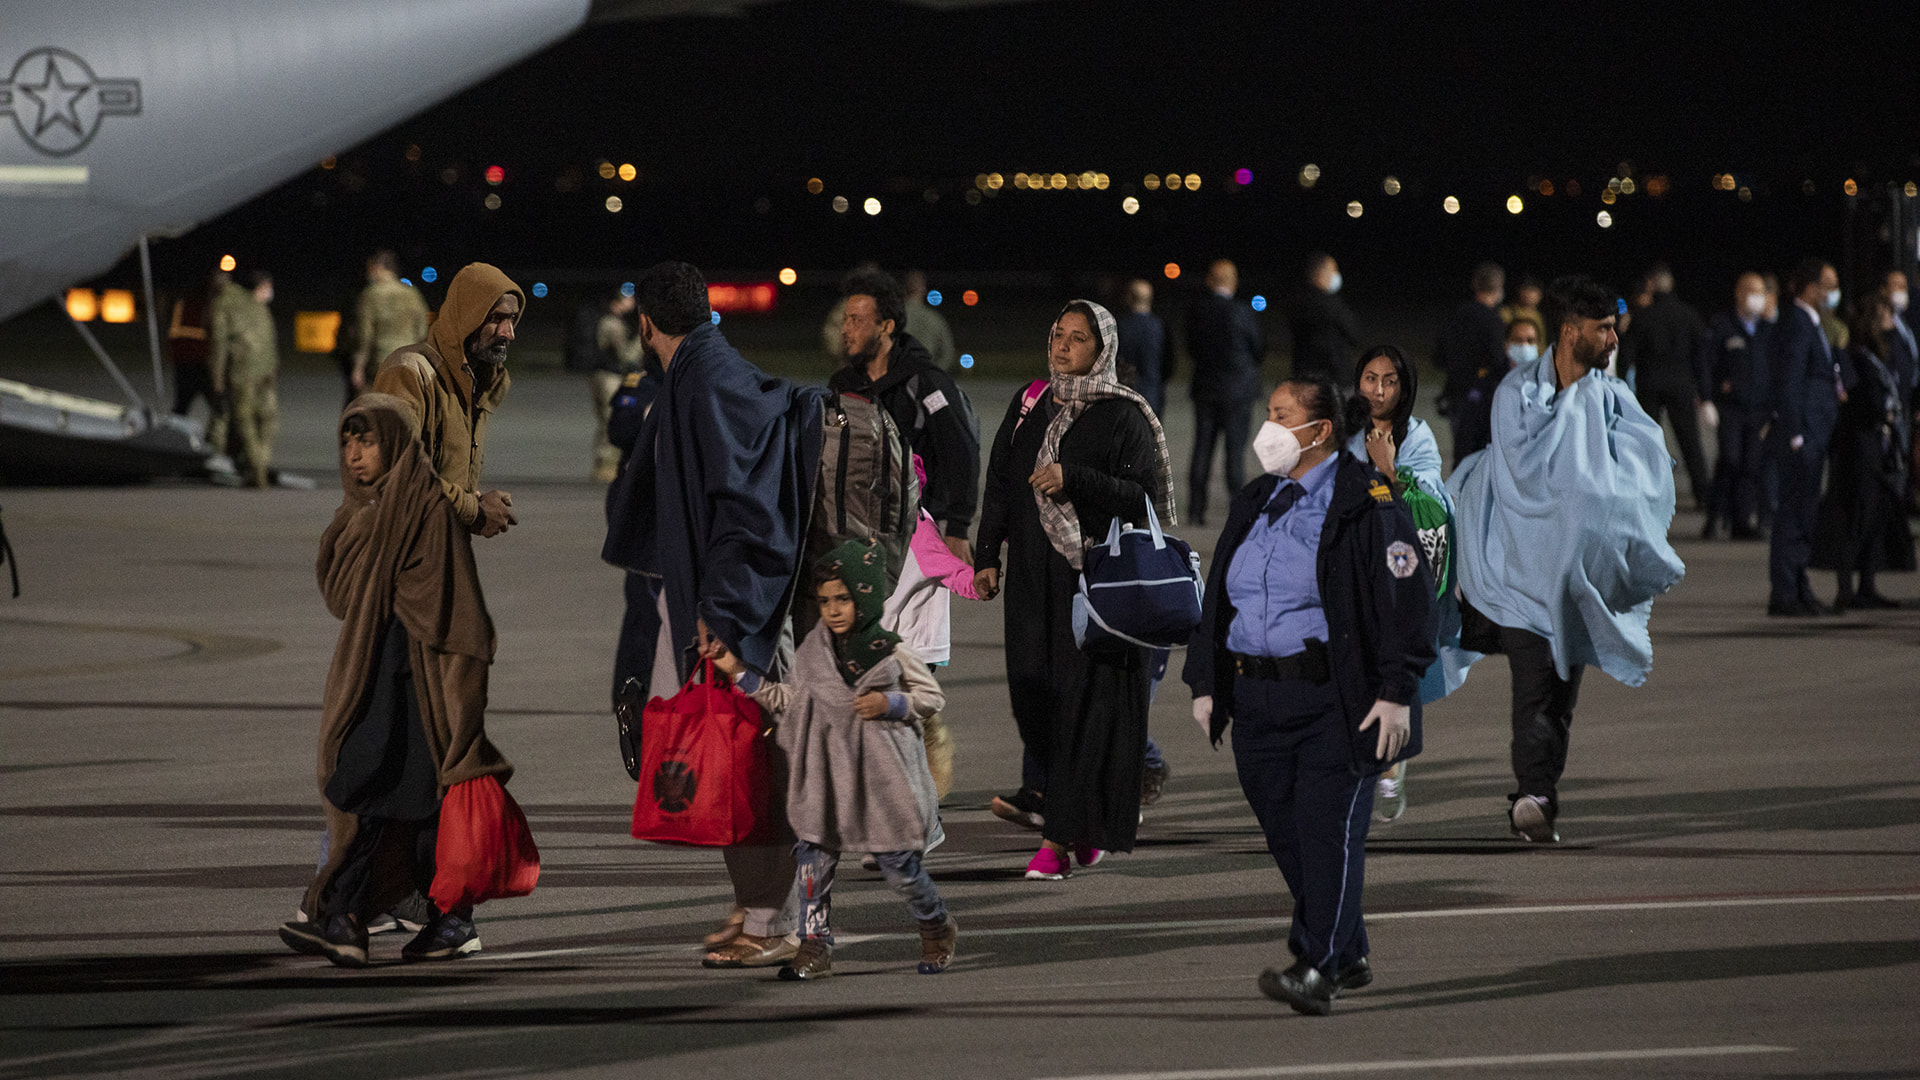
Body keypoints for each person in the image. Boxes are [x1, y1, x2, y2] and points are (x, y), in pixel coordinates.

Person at [1184, 376, 1435, 1016]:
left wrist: (1397, 692)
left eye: (1280, 415)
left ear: (1318, 431)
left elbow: (1408, 603)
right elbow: (1220, 594)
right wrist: (1207, 680)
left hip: (1334, 699)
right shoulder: (1258, 497)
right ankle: (1346, 951)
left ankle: (1315, 966)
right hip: (1257, 700)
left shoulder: (1366, 500)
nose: (1265, 428)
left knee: (1326, 838)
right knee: (1289, 839)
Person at [603, 260, 826, 969]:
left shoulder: (704, 383)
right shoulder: (703, 373)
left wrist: (724, 611)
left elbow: (747, 508)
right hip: (703, 604)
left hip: (730, 614)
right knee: (728, 763)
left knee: (752, 765)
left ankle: (777, 921)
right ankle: (754, 907)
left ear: (645, 324)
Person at [1448, 276, 1685, 844]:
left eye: (1614, 327)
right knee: (1534, 686)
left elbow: (1641, 476)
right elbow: (1524, 479)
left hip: (1578, 577)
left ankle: (1540, 790)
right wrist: (1580, 493)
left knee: (1559, 694)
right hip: (1521, 571)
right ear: (1571, 330)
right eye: (1602, 328)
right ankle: (1534, 794)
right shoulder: (1515, 396)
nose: (1612, 338)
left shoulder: (1614, 398)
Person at [279, 394, 513, 966]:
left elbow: (452, 615)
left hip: (420, 685)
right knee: (400, 806)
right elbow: (341, 595)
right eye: (347, 443)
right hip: (384, 676)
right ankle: (407, 920)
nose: (355, 455)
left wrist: (454, 703)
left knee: (374, 792)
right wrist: (359, 522)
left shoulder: (422, 507)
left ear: (397, 442)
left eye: (369, 441)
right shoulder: (373, 510)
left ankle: (351, 918)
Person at [973, 300, 1176, 876]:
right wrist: (988, 554)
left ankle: (1061, 839)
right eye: (1057, 334)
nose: (1061, 346)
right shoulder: (1030, 401)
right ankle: (1079, 821)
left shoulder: (1124, 415)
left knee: (1080, 709)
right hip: (1032, 581)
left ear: (1102, 348)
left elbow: (1144, 502)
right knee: (1032, 698)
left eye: (1077, 338)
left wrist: (1076, 478)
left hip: (1093, 583)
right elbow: (1002, 485)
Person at [711, 540, 958, 981]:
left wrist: (890, 703)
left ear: (864, 596)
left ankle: (936, 923)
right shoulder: (812, 654)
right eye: (825, 601)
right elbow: (788, 700)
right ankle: (815, 946)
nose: (833, 609)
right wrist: (738, 671)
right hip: (823, 778)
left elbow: (930, 696)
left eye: (843, 598)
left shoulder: (891, 652)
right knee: (812, 867)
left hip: (880, 781)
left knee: (900, 870)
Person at [1343, 345, 1462, 822]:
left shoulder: (1418, 436)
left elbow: (1430, 500)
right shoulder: (1342, 428)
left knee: (1397, 660)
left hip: (1399, 567)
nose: (1377, 389)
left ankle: (1390, 770)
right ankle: (1359, 764)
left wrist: (1387, 470)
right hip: (1351, 565)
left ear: (1405, 387)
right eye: (1369, 378)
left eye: (1389, 381)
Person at [829, 269, 980, 562]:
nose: (845, 330)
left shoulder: (925, 383)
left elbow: (961, 452)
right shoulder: (842, 385)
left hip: (917, 537)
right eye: (845, 320)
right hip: (858, 534)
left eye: (856, 321)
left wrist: (958, 529)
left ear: (885, 326)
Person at [371, 263, 522, 540]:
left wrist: (474, 507)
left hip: (440, 546)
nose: (508, 332)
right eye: (496, 319)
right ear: (467, 316)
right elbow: (398, 477)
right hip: (399, 550)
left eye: (512, 319)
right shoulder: (409, 373)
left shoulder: (477, 381)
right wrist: (474, 510)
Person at [1811, 295, 1915, 608]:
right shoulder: (1857, 356)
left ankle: (1867, 586)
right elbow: (1856, 400)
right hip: (1859, 447)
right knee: (1856, 518)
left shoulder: (1880, 354)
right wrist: (1880, 412)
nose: (1890, 319)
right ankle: (1846, 589)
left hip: (1880, 446)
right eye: (1884, 313)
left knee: (1877, 517)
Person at [1765, 258, 1843, 617]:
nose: (1831, 293)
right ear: (1811, 289)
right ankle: (1785, 593)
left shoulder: (1811, 324)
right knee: (1794, 513)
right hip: (1803, 436)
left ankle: (1799, 587)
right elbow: (1790, 382)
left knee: (1804, 513)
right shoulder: (1798, 323)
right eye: (1827, 286)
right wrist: (1796, 433)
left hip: (1813, 432)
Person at [1618, 264, 1710, 508]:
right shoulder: (1688, 314)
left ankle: (1646, 493)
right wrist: (1703, 391)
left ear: (1651, 285)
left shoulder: (1642, 316)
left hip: (1649, 385)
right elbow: (1700, 356)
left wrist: (1621, 385)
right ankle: (1703, 494)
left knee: (1647, 442)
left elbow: (1625, 355)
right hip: (1681, 385)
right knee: (1691, 443)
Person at [1184, 259, 1265, 525]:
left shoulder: (1197, 311)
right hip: (1237, 392)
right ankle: (1236, 509)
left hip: (1206, 390)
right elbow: (1258, 349)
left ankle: (1196, 510)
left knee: (1203, 449)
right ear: (1233, 281)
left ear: (1209, 280)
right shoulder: (1242, 312)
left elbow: (1191, 348)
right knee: (1235, 453)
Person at [1697, 273, 1774, 540]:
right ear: (1739, 294)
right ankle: (1715, 517)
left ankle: (1742, 521)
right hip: (1730, 408)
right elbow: (1706, 363)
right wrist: (1707, 398)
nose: (1758, 297)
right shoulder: (1723, 326)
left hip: (1759, 409)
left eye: (1761, 291)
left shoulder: (1766, 330)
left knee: (1751, 466)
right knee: (1730, 461)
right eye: (1752, 291)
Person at [208, 269, 281, 488]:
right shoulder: (254, 304)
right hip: (264, 373)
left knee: (245, 420)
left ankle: (256, 463)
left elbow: (218, 347)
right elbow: (270, 340)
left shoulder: (223, 305)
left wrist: (218, 381)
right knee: (267, 419)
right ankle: (261, 460)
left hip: (243, 373)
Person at [566, 288, 645, 483]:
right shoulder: (612, 323)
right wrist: (641, 340)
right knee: (612, 421)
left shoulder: (603, 319)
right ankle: (607, 468)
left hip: (597, 376)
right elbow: (626, 356)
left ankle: (602, 466)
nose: (632, 302)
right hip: (610, 377)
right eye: (628, 298)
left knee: (604, 420)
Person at [1434, 262, 1507, 467]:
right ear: (1499, 287)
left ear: (1475, 284)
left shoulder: (1457, 314)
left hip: (1455, 392)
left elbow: (1438, 356)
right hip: (1482, 395)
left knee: (1461, 452)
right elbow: (1497, 359)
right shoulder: (1493, 319)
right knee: (1480, 456)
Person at [351, 251, 431, 400]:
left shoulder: (370, 295)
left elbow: (365, 335)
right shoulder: (412, 294)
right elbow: (423, 331)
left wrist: (358, 368)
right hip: (408, 363)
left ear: (379, 268)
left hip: (380, 363)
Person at [1285, 252, 1360, 384]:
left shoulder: (1296, 302)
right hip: (1335, 377)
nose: (1336, 275)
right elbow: (1354, 334)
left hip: (1304, 376)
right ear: (1321, 273)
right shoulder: (1333, 305)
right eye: (1333, 270)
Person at [168, 269, 222, 423]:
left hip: (184, 361)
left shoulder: (182, 303)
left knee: (182, 403)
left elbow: (173, 334)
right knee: (215, 404)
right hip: (199, 362)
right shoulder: (208, 305)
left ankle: (175, 432)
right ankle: (224, 437)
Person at [1116, 278, 1168, 417]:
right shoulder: (1159, 326)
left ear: (1130, 297)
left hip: (1125, 392)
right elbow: (1167, 360)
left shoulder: (1121, 326)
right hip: (1152, 392)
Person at [903, 269, 958, 372]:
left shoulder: (893, 316)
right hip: (926, 373)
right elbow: (947, 352)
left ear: (904, 290)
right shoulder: (934, 318)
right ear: (923, 290)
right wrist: (934, 372)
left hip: (900, 374)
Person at [1500, 276, 1545, 342]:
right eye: (1525, 289)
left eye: (1532, 290)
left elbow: (1542, 342)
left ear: (1540, 294)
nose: (1527, 293)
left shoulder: (1540, 317)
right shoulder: (1506, 313)